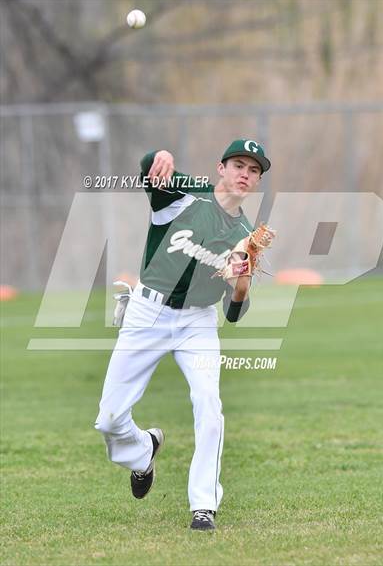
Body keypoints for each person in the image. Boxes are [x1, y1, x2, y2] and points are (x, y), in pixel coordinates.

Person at [95, 139, 272, 531]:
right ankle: (142, 452)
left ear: (257, 181)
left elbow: (234, 311)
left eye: (254, 170)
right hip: (147, 312)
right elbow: (149, 168)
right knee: (108, 420)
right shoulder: (186, 193)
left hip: (197, 323)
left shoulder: (245, 236)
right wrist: (160, 157)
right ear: (221, 168)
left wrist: (240, 284)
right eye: (239, 165)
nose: (245, 173)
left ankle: (203, 505)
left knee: (209, 403)